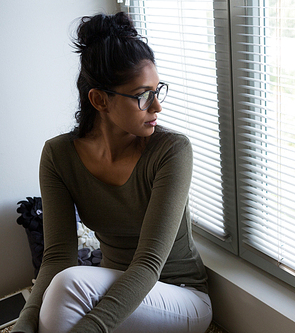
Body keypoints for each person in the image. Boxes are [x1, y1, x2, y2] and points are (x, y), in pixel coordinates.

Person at [12, 12, 211, 333]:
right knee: (60, 292)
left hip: (179, 296)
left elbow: (147, 265)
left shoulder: (171, 150)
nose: (157, 106)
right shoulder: (58, 155)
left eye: (157, 90)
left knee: (68, 289)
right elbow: (57, 257)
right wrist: (23, 325)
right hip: (109, 288)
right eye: (143, 95)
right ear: (99, 100)